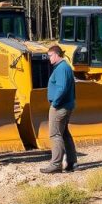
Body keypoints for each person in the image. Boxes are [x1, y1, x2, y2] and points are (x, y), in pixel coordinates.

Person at [40, 44, 77, 173]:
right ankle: (71, 162)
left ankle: (56, 164)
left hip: (60, 106)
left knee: (55, 135)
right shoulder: (64, 67)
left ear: (56, 54)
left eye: (50, 56)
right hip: (65, 105)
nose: (49, 59)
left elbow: (62, 88)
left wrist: (55, 103)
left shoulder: (62, 68)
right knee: (64, 134)